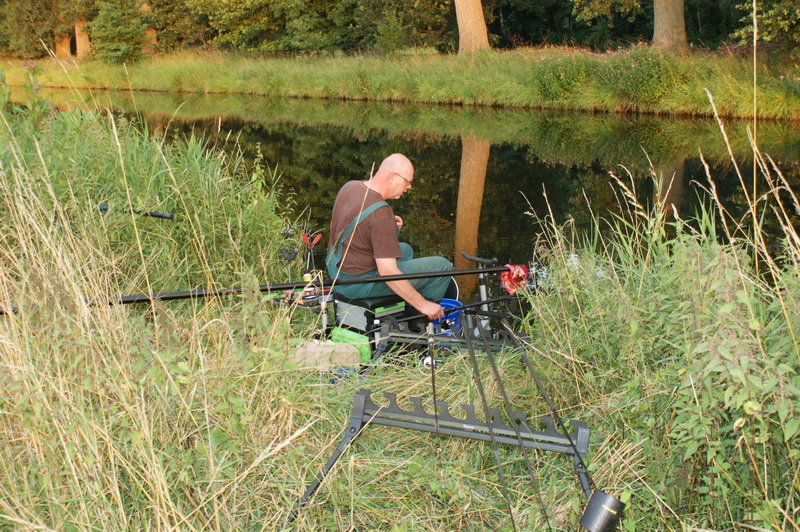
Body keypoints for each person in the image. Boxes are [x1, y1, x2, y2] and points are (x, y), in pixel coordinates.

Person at [326, 153, 452, 321]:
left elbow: (343, 225)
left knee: (405, 249)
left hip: (337, 268)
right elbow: (387, 272)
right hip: (354, 284)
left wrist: (386, 228)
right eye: (407, 182)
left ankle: (401, 299)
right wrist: (424, 305)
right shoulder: (381, 213)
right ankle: (418, 323)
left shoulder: (350, 186)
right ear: (392, 177)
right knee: (441, 266)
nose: (409, 187)